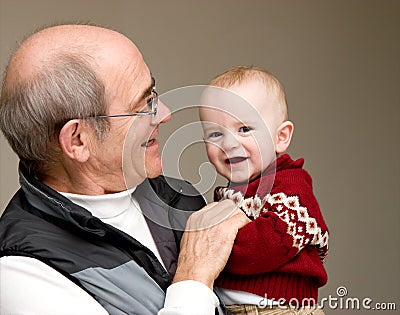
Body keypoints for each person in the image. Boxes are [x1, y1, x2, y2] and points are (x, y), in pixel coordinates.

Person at [0, 24, 250, 314]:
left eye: (153, 94)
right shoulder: (22, 274)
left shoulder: (176, 197)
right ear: (79, 140)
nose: (165, 114)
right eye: (143, 105)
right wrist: (194, 278)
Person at [199, 66, 329, 314]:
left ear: (281, 137)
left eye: (244, 129)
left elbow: (267, 245)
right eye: (216, 133)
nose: (229, 143)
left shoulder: (291, 186)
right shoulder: (233, 192)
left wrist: (211, 246)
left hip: (280, 308)